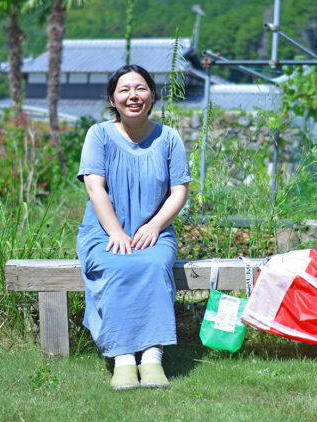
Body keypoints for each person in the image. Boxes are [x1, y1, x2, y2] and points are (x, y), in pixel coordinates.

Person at [75, 64, 191, 390]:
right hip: (103, 231)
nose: (133, 96)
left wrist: (155, 226)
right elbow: (94, 188)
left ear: (152, 95)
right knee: (115, 265)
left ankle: (152, 357)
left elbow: (179, 191)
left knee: (155, 265)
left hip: (154, 230)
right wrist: (115, 232)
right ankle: (123, 358)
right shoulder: (98, 135)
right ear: (112, 99)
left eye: (140, 89)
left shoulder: (169, 138)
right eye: (124, 90)